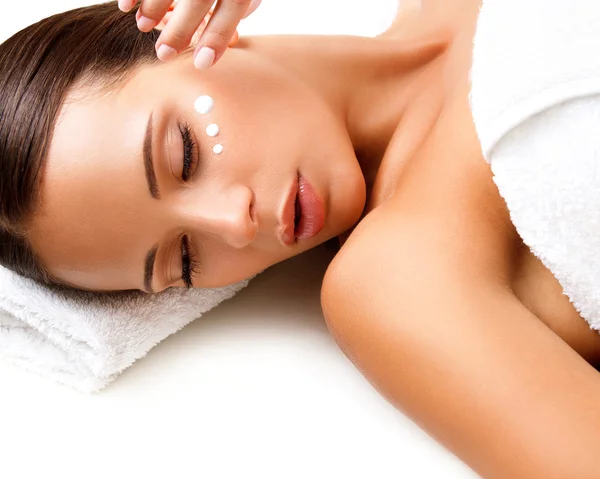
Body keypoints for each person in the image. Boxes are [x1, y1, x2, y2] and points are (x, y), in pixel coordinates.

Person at [2, 1, 600, 476]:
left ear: (188, 29)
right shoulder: (396, 279)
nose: (233, 223)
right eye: (184, 259)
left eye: (183, 154)